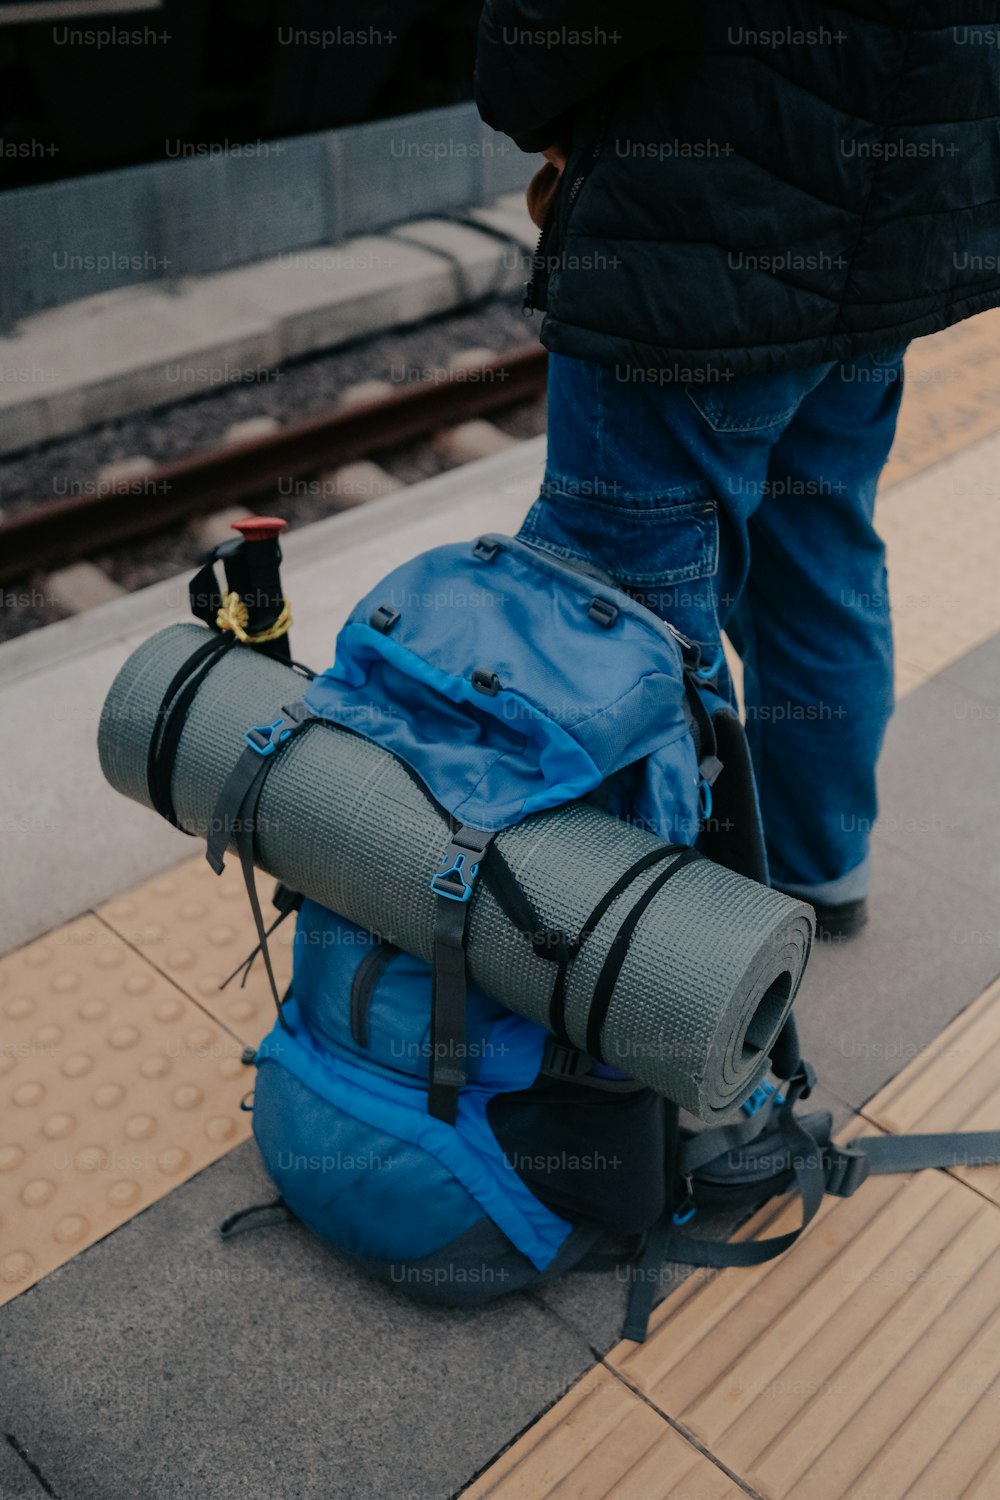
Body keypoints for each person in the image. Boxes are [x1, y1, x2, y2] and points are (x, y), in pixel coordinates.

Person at [474, 2, 1000, 938]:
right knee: (824, 562)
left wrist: (521, 94)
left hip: (695, 248)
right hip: (889, 242)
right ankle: (816, 872)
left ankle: (673, 958)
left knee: (628, 609)